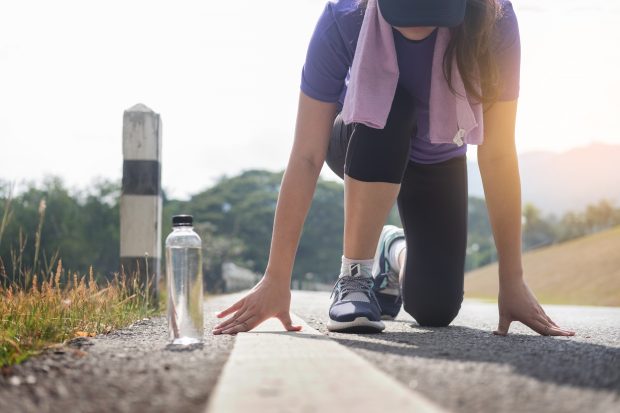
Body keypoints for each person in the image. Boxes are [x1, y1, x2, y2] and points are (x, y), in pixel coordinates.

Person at [213, 0, 575, 337]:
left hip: (438, 155)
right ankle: (354, 277)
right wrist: (276, 278)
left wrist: (512, 281)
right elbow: (307, 153)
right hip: (362, 140)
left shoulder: (494, 19)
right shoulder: (344, 17)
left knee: (435, 309)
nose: (417, 20)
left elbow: (496, 153)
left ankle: (392, 248)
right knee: (391, 108)